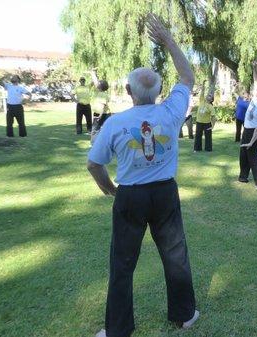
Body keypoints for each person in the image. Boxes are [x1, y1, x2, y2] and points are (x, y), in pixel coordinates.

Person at [87, 14, 199, 337]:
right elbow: (188, 76)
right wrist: (168, 41)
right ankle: (185, 315)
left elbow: (94, 164)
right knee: (175, 254)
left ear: (128, 90)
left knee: (122, 264)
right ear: (160, 90)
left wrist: (109, 188)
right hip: (164, 193)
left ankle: (118, 330)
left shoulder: (116, 124)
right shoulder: (170, 111)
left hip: (131, 196)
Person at [89, 69, 111, 144]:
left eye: (99, 84)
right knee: (105, 129)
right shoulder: (102, 93)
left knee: (95, 130)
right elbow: (96, 82)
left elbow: (102, 107)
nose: (97, 84)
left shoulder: (102, 95)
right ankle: (102, 143)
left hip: (100, 113)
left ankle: (94, 143)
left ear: (100, 87)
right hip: (105, 113)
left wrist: (99, 116)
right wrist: (93, 74)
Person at [193, 82, 217, 152]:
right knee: (198, 136)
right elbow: (202, 92)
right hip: (199, 122)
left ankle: (208, 149)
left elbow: (213, 117)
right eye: (208, 95)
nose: (207, 96)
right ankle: (197, 149)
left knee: (208, 137)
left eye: (209, 96)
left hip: (207, 123)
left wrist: (212, 126)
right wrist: (203, 85)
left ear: (211, 99)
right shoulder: (202, 100)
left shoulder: (210, 107)